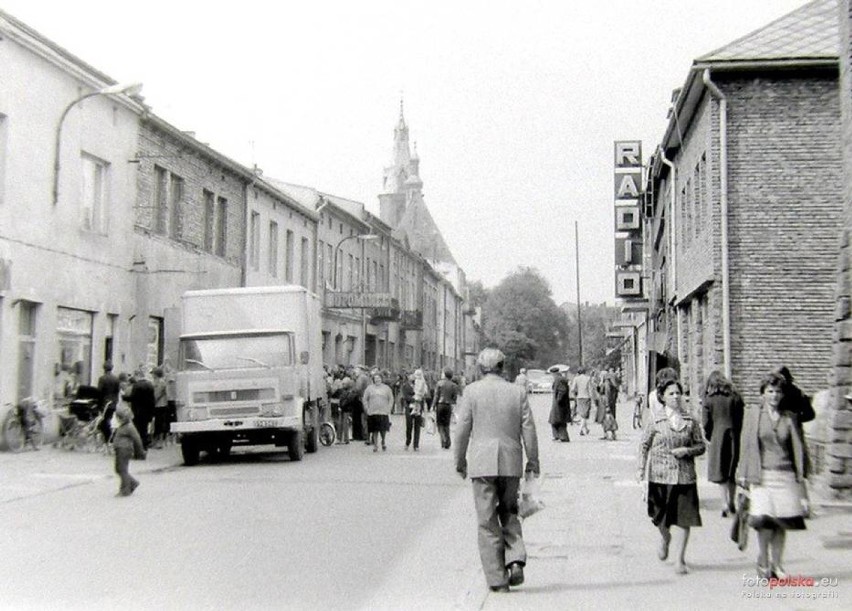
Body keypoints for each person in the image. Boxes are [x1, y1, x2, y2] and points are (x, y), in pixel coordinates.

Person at [454, 348, 540, 593]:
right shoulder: (517, 392)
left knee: (487, 520)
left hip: (482, 464)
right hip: (511, 463)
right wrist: (532, 461)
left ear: (481, 369)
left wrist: (460, 461)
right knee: (510, 512)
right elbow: (529, 429)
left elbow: (462, 430)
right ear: (503, 367)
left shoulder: (471, 392)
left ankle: (498, 579)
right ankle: (515, 559)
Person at [737, 371, 811, 579]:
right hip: (761, 477)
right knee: (764, 523)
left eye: (778, 391)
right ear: (762, 394)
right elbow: (747, 446)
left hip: (785, 477)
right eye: (770, 391)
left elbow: (798, 448)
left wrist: (801, 477)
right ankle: (763, 559)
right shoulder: (754, 416)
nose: (774, 396)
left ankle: (777, 565)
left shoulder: (790, 418)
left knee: (782, 523)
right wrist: (742, 475)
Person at [637, 378, 705, 575]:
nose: (676, 397)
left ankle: (680, 560)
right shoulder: (655, 420)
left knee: (685, 519)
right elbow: (643, 445)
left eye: (678, 393)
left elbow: (700, 446)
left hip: (685, 477)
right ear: (662, 397)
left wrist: (687, 450)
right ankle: (665, 538)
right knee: (660, 518)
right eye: (671, 394)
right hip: (660, 476)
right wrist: (640, 471)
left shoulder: (691, 421)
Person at [701, 370, 744, 517]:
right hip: (733, 436)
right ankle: (732, 501)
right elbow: (740, 419)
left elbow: (706, 423)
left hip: (718, 437)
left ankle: (724, 502)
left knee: (721, 472)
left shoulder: (709, 399)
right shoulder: (735, 397)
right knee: (731, 471)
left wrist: (709, 435)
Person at [112, 405, 146, 497]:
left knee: (122, 469)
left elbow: (137, 439)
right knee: (118, 469)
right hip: (120, 449)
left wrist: (141, 451)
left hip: (124, 450)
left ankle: (125, 489)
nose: (118, 419)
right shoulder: (123, 426)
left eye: (119, 417)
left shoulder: (129, 427)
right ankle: (133, 482)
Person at [362, 372, 393, 452]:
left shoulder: (386, 388)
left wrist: (389, 408)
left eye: (379, 378)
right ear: (373, 380)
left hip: (383, 412)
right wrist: (367, 408)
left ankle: (383, 441)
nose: (377, 380)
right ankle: (375, 445)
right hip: (373, 412)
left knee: (383, 429)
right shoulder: (369, 388)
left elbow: (391, 399)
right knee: (374, 430)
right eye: (375, 379)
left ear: (381, 379)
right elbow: (365, 399)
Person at [124, 373, 156, 449]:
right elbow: (152, 400)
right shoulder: (150, 385)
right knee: (144, 428)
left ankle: (138, 447)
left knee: (138, 428)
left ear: (138, 377)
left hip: (137, 410)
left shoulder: (136, 385)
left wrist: (124, 397)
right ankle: (144, 445)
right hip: (147, 410)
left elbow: (133, 398)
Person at [432, 368, 460, 449]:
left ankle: (443, 439)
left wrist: (433, 406)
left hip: (440, 405)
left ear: (444, 374)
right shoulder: (454, 385)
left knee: (440, 424)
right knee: (447, 424)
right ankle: (448, 442)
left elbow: (436, 396)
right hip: (448, 406)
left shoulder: (439, 383)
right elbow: (455, 397)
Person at [96, 361, 120, 445]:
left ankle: (108, 437)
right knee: (108, 419)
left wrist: (98, 404)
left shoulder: (102, 378)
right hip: (113, 402)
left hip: (105, 403)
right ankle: (109, 437)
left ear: (104, 368)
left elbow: (99, 392)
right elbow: (117, 391)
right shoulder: (116, 379)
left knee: (104, 420)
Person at [548, 368, 571, 442]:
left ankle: (562, 437)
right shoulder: (560, 379)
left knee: (557, 420)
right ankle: (558, 436)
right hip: (561, 404)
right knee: (557, 420)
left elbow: (562, 390)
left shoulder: (558, 379)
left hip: (559, 404)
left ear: (554, 373)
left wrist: (558, 399)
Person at [400, 373, 421, 451]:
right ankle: (407, 442)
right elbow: (405, 396)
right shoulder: (405, 386)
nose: (413, 377)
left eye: (415, 375)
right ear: (408, 377)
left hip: (418, 407)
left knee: (417, 426)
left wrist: (420, 398)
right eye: (411, 375)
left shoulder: (419, 385)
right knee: (409, 425)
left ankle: (416, 445)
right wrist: (414, 398)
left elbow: (424, 394)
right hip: (409, 407)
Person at [570, 367, 593, 435]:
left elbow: (572, 389)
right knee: (585, 415)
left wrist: (576, 393)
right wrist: (592, 398)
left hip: (579, 397)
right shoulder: (588, 378)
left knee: (582, 414)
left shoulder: (576, 379)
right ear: (585, 372)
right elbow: (590, 389)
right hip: (586, 397)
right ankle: (580, 429)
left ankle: (586, 429)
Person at [151, 367, 169, 449]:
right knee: (157, 423)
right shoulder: (156, 382)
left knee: (160, 423)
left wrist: (152, 401)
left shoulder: (161, 382)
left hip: (161, 405)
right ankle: (156, 441)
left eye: (153, 373)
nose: (152, 375)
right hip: (158, 405)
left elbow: (157, 394)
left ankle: (160, 441)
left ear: (156, 374)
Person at [352, 366, 371, 443]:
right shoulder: (365, 377)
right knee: (364, 417)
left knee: (362, 417)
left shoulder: (361, 378)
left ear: (360, 370)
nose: (355, 372)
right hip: (365, 398)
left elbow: (358, 388)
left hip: (361, 398)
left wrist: (353, 391)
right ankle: (365, 435)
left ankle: (363, 435)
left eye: (356, 370)